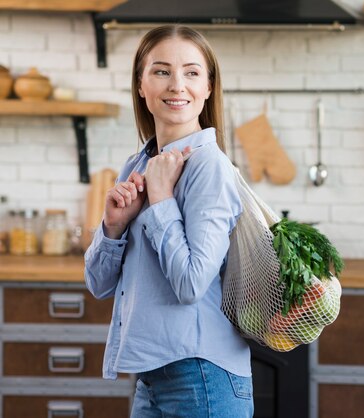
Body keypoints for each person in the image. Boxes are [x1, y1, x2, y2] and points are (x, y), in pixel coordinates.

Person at [84, 25, 253, 418]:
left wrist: (160, 201)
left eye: (192, 73)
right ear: (141, 85)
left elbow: (191, 284)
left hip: (202, 378)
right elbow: (98, 285)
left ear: (209, 87)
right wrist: (112, 227)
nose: (178, 85)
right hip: (153, 378)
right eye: (161, 71)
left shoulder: (209, 168)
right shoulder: (138, 164)